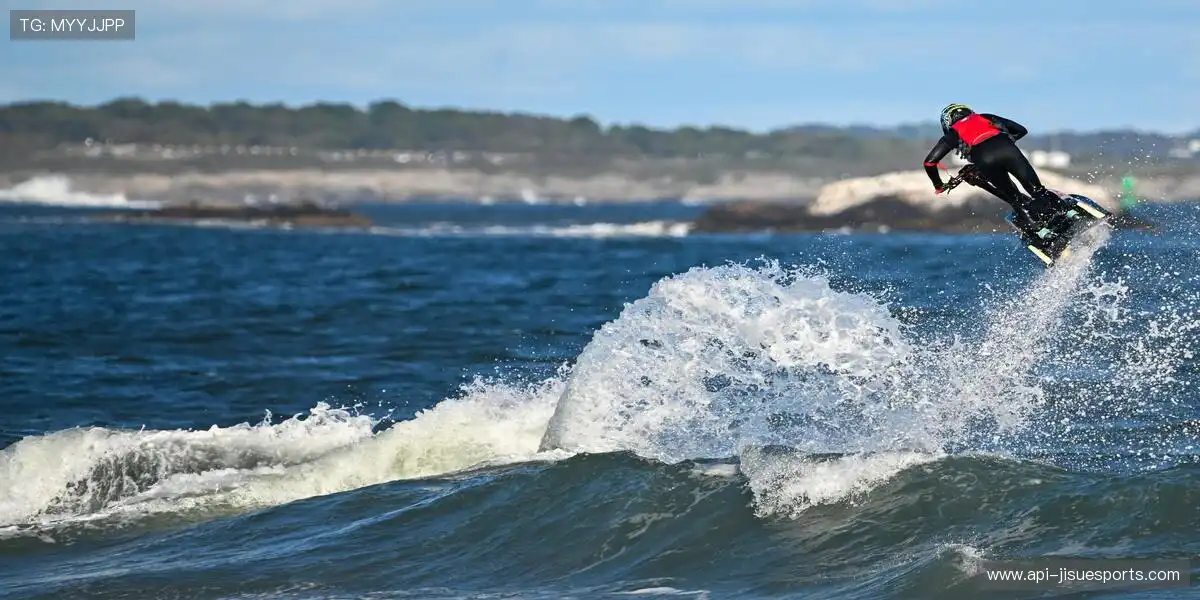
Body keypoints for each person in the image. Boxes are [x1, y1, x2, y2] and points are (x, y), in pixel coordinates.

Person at [922, 103, 1071, 225]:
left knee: (1016, 200)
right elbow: (1021, 130)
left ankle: (1040, 231)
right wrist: (1005, 143)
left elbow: (929, 163)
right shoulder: (984, 117)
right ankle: (1067, 212)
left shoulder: (952, 133)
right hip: (1007, 149)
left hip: (984, 159)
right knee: (1037, 190)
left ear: (947, 122)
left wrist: (939, 185)